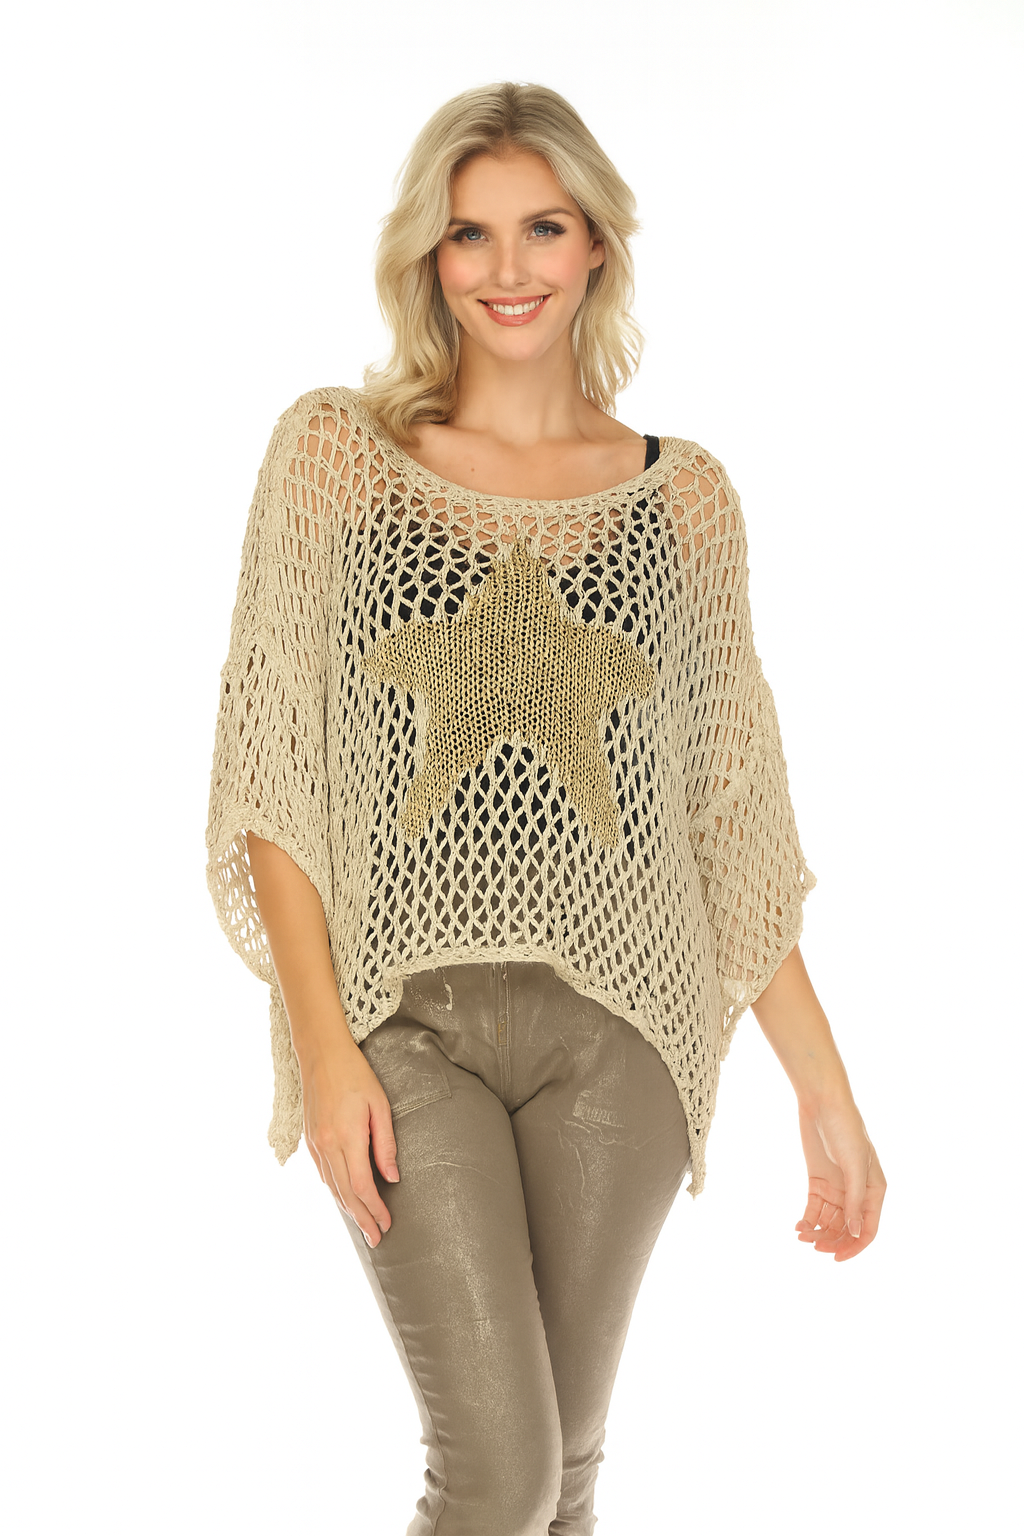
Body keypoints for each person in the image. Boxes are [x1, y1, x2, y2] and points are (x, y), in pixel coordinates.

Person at [205, 80, 886, 1536]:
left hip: (621, 1040)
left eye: (543, 228)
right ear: (427, 254)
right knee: (498, 1476)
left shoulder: (684, 501)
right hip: (403, 1028)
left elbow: (731, 820)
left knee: (563, 1478)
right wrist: (324, 1053)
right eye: (470, 234)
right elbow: (276, 777)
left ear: (597, 247)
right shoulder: (337, 458)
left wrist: (824, 1093)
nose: (506, 268)